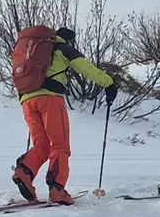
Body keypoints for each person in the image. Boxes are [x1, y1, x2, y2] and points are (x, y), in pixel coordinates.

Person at [11, 25, 115, 206]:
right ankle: (57, 189)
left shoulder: (33, 50)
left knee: (41, 144)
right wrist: (109, 83)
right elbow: (86, 68)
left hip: (26, 101)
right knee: (60, 145)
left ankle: (24, 172)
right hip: (50, 100)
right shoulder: (61, 48)